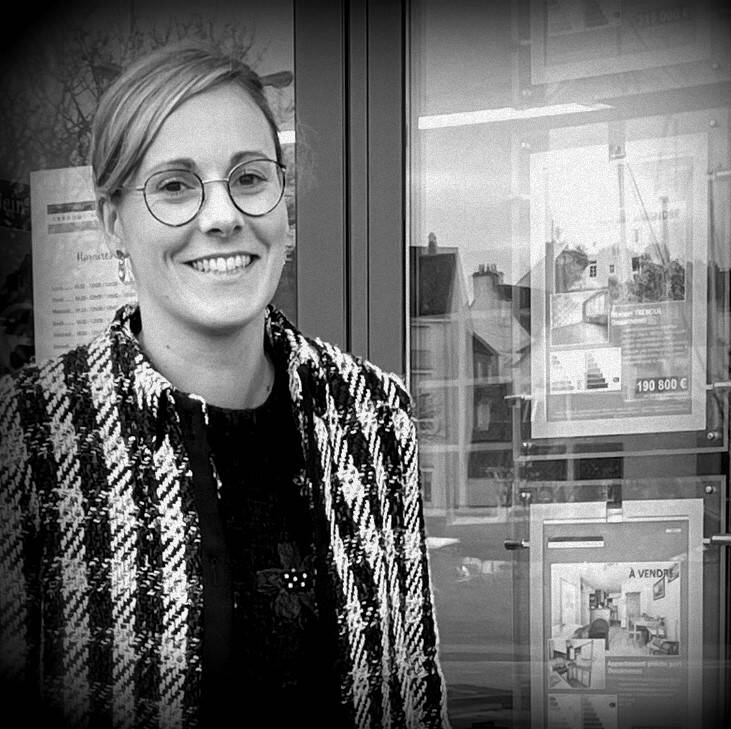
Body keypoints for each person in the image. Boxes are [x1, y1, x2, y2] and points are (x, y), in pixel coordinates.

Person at [0, 41, 450, 728]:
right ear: (113, 223)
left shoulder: (373, 412)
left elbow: (409, 687)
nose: (222, 216)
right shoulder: (30, 434)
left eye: (249, 177)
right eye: (175, 186)